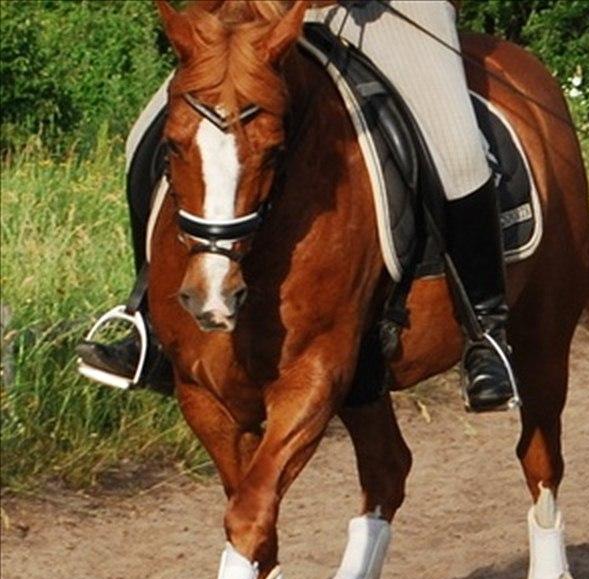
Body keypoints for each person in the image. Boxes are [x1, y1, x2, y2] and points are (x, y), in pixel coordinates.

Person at [78, 0, 517, 411]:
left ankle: (486, 333)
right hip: (257, 17)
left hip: (385, 12)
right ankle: (151, 329)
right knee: (147, 136)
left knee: (459, 152)